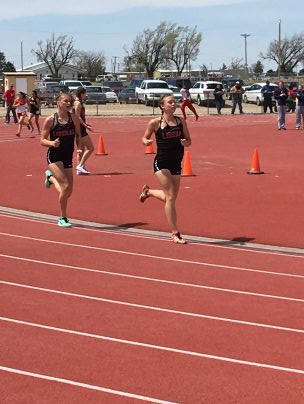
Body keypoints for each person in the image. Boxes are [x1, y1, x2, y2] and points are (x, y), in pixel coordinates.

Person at [140, 93, 192, 244]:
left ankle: (147, 192)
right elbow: (144, 137)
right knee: (170, 197)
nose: (174, 104)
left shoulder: (181, 122)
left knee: (171, 198)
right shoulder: (155, 123)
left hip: (177, 162)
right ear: (162, 106)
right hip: (161, 163)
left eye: (174, 102)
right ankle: (175, 233)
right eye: (170, 102)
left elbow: (189, 141)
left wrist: (185, 143)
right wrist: (146, 142)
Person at [40, 91, 81, 227]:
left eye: (70, 101)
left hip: (68, 155)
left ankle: (50, 178)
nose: (68, 103)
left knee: (68, 192)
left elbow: (78, 135)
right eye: (65, 101)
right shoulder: (51, 120)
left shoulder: (74, 118)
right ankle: (62, 218)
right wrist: (52, 143)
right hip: (54, 156)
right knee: (65, 186)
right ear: (58, 102)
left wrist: (79, 148)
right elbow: (42, 140)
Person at [73, 87, 94, 175]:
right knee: (90, 148)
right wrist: (85, 125)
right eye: (85, 94)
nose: (86, 95)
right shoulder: (78, 103)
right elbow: (77, 116)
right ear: (81, 94)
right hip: (80, 129)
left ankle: (80, 169)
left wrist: (85, 123)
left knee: (81, 149)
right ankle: (80, 165)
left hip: (78, 128)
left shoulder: (76, 102)